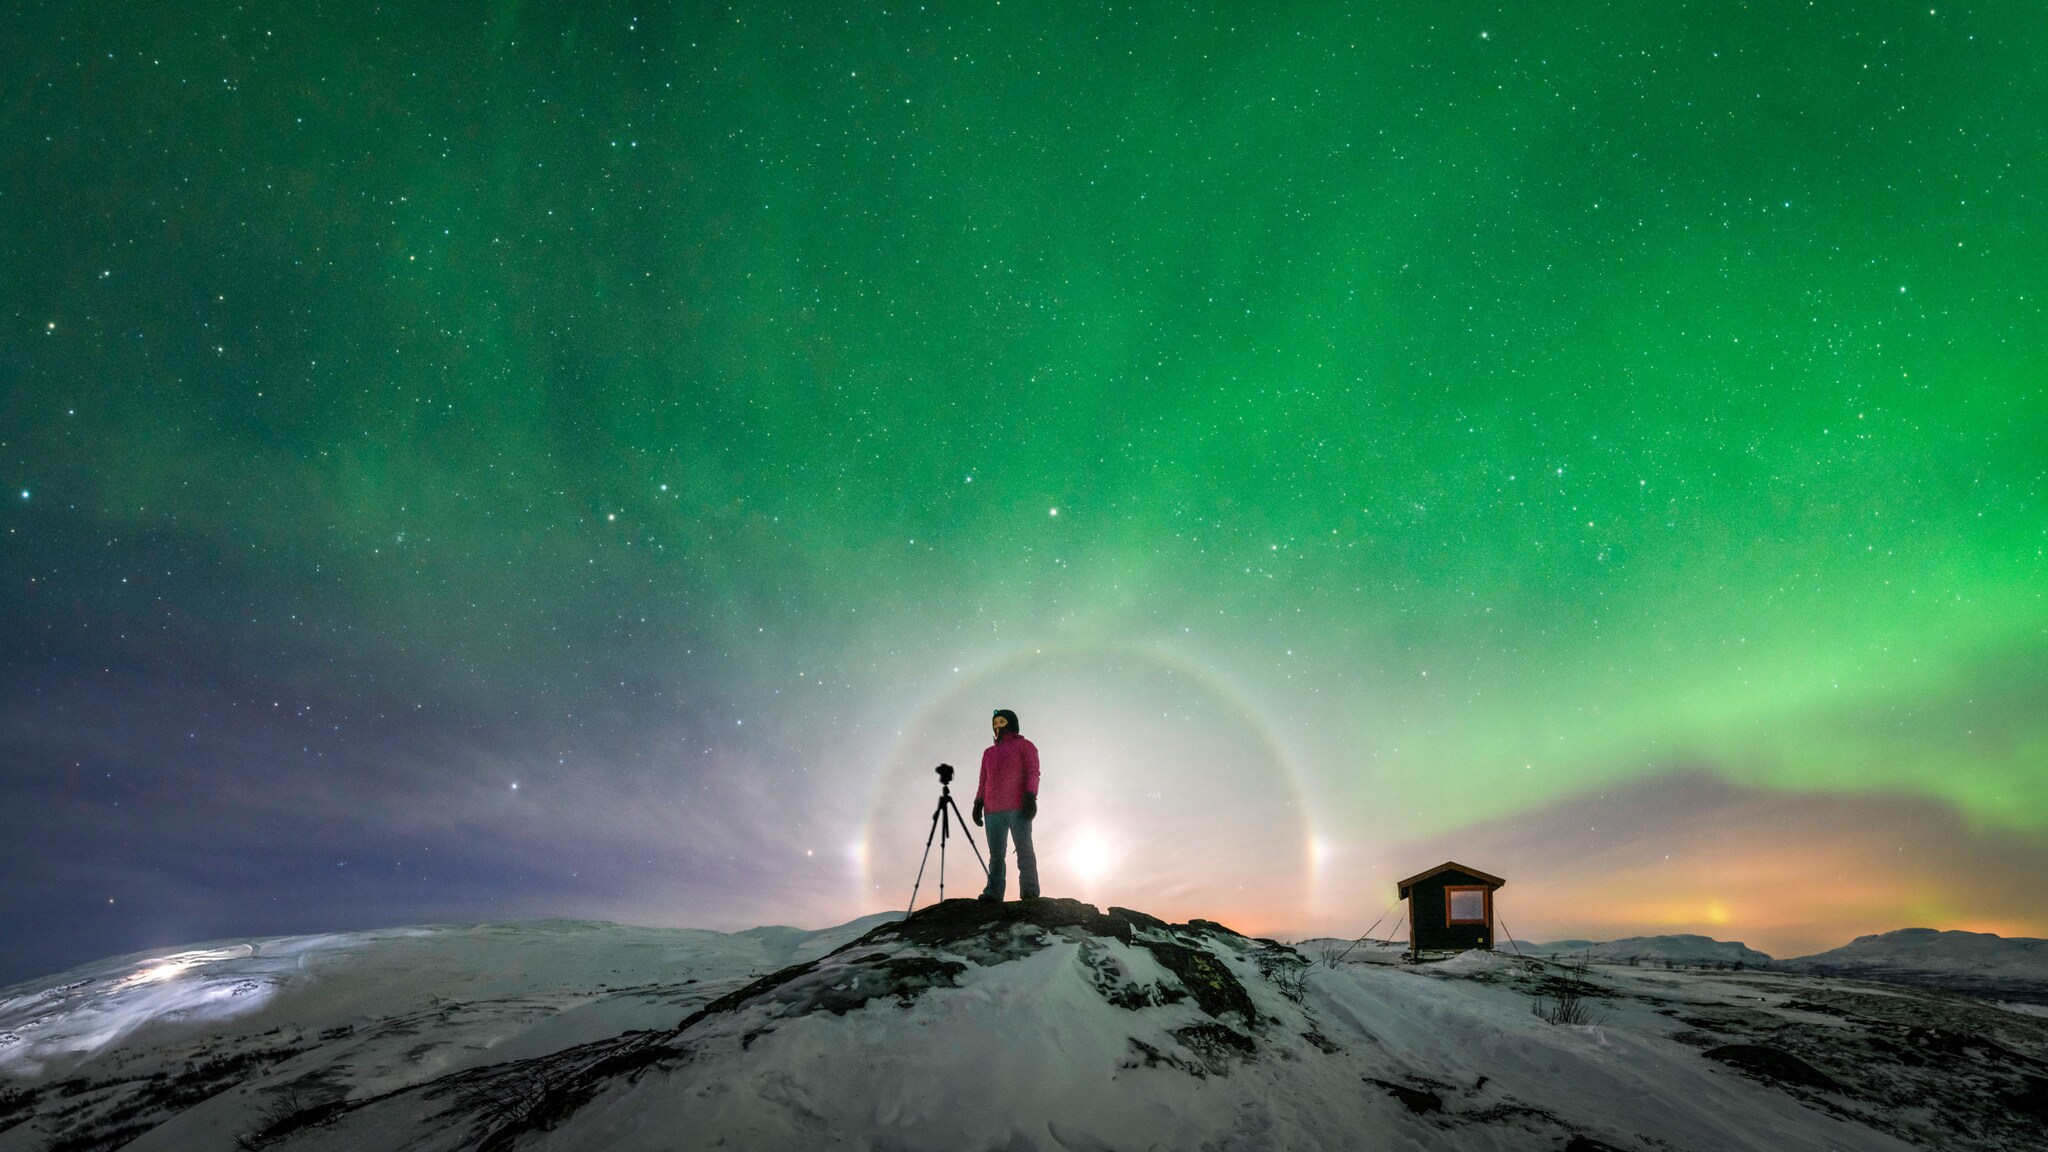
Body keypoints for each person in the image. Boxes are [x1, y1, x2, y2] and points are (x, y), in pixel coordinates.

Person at [971, 708, 1039, 902]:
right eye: (995, 723)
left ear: (1011, 722)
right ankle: (993, 893)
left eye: (1002, 721)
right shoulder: (988, 753)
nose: (998, 726)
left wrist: (1031, 795)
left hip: (1019, 807)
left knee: (1024, 850)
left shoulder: (1026, 746)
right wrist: (978, 802)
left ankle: (1030, 891)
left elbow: (1033, 772)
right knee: (996, 855)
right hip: (992, 811)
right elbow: (983, 781)